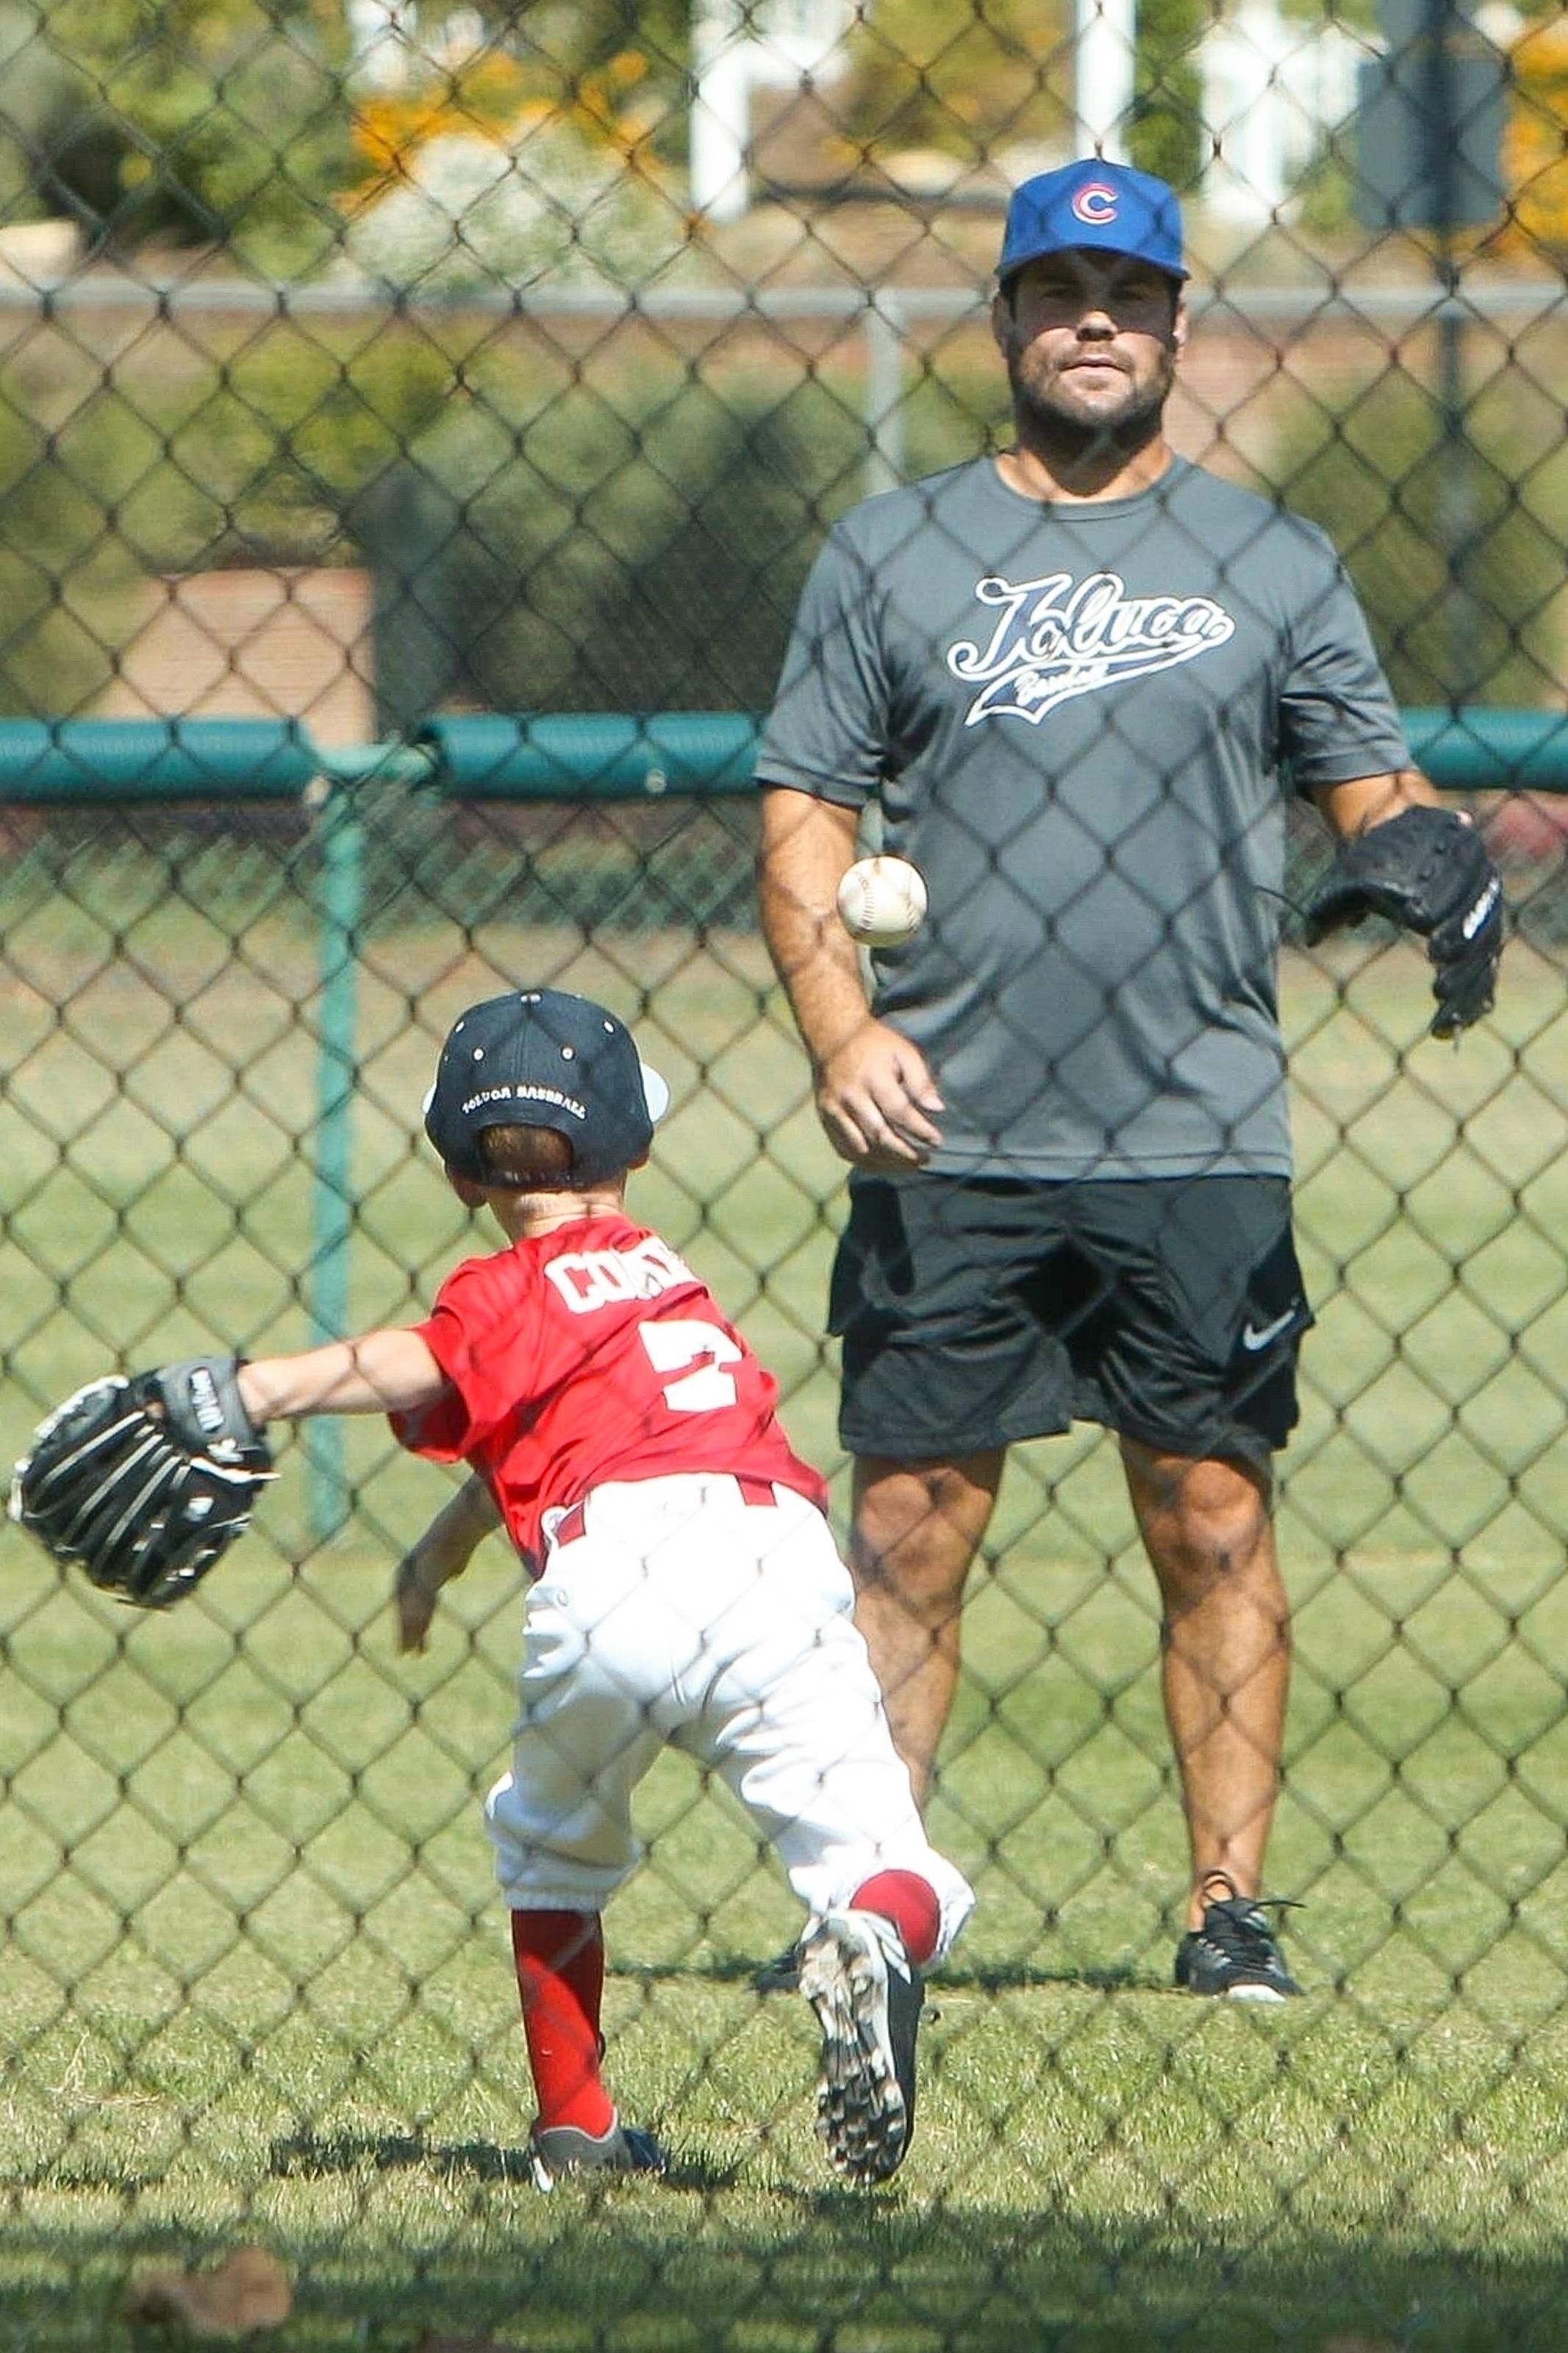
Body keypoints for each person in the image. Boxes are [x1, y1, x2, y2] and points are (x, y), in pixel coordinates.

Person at [753, 159, 1503, 1999]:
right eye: (1058, 288)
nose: (1094, 319)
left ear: (1175, 326)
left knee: (1211, 1510)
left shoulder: (1271, 560)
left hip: (1193, 1121)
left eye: (1129, 291)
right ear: (1005, 323)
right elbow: (799, 799)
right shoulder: (893, 550)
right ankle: (870, 1899)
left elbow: (1364, 792)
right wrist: (840, 1029)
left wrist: (1432, 853)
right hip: (953, 1123)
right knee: (911, 1520)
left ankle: (1222, 1911)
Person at [229, 985, 974, 2186]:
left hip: (604, 1580)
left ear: (465, 1176)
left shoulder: (501, 1290)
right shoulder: (658, 1277)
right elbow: (536, 1434)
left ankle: (574, 2128)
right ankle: (875, 1929)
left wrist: (253, 1389)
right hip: (771, 1564)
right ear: (639, 1146)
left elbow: (429, 1365)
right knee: (889, 1856)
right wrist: (440, 1552)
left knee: (553, 1851)